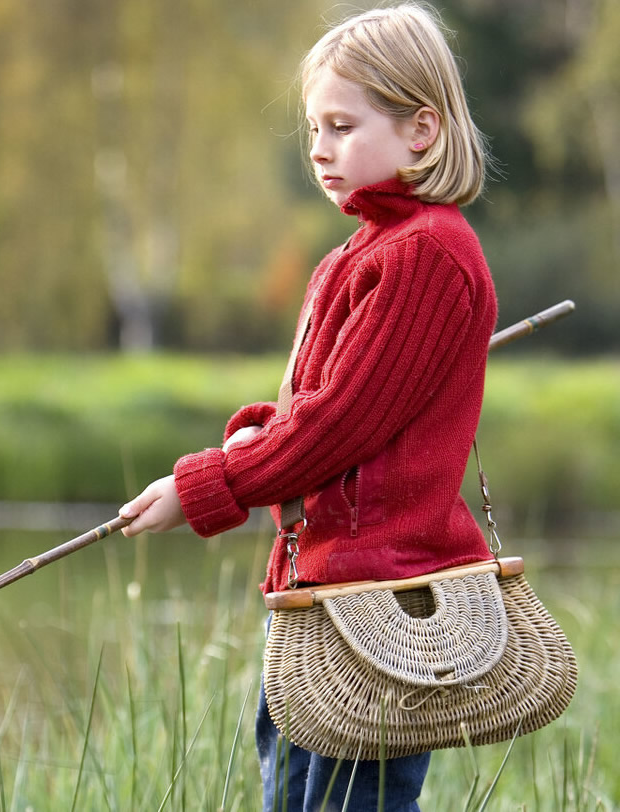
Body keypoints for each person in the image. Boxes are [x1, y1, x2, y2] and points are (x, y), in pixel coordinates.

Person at [120, 3, 498, 809]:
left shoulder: (426, 255)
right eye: (313, 128)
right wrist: (261, 434)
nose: (321, 149)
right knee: (291, 793)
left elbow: (339, 427)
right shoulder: (358, 255)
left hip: (375, 602)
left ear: (421, 129)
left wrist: (204, 487)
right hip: (319, 587)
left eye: (342, 125)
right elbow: (319, 407)